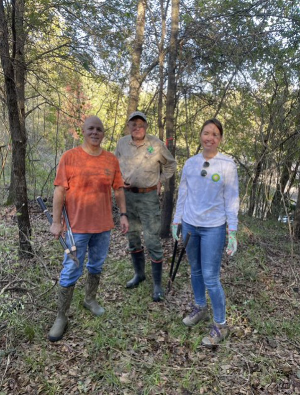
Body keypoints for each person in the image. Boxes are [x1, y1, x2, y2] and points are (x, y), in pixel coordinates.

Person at [48, 116, 129, 342]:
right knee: (71, 268)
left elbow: (119, 190)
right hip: (77, 227)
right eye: (91, 128)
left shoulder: (111, 160)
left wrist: (123, 214)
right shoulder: (70, 157)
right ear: (83, 131)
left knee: (96, 264)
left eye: (99, 129)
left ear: (104, 133)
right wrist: (56, 222)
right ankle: (61, 316)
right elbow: (59, 191)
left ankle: (90, 299)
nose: (95, 132)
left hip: (103, 226)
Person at [172, 118, 239, 347]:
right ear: (200, 135)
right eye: (206, 133)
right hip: (190, 225)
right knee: (196, 271)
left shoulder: (227, 165)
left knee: (211, 276)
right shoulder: (190, 163)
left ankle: (221, 324)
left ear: (220, 139)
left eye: (215, 134)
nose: (210, 137)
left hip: (214, 227)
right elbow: (183, 193)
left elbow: (232, 200)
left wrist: (232, 231)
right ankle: (199, 306)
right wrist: (176, 220)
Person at [115, 111, 176, 302]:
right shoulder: (122, 143)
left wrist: (160, 180)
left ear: (146, 127)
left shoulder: (155, 144)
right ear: (129, 126)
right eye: (134, 124)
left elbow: (171, 164)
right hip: (127, 197)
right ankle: (139, 274)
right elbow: (115, 165)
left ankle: (157, 284)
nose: (137, 127)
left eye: (141, 124)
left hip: (148, 197)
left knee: (152, 240)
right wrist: (117, 181)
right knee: (132, 237)